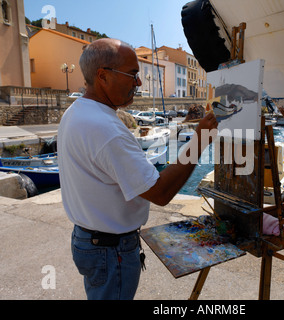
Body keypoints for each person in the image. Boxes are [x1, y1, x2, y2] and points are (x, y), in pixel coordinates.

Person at [57, 38, 218, 300]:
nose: (139, 83)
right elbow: (161, 192)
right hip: (110, 249)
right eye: (132, 74)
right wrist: (199, 141)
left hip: (88, 240)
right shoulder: (106, 129)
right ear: (103, 76)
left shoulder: (77, 112)